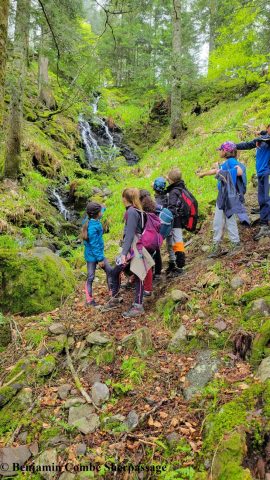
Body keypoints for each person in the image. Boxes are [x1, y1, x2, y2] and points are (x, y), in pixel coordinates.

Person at [107, 188, 154, 318]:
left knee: (137, 274)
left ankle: (137, 306)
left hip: (133, 247)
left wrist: (123, 253)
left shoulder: (132, 212)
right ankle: (116, 299)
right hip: (137, 246)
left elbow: (130, 234)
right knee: (117, 272)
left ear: (124, 198)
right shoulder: (137, 210)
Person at [198, 141, 245, 257]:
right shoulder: (226, 162)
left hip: (229, 195)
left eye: (220, 150)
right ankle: (217, 245)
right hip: (223, 195)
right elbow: (216, 171)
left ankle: (235, 244)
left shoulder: (232, 161)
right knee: (218, 221)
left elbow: (240, 171)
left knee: (229, 219)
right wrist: (203, 174)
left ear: (225, 151)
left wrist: (223, 171)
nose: (219, 151)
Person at [236, 127, 270, 239]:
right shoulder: (262, 138)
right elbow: (247, 145)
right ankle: (263, 212)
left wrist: (261, 137)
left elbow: (266, 139)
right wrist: (234, 146)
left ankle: (265, 226)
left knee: (265, 199)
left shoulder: (265, 140)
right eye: (268, 129)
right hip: (260, 173)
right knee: (262, 198)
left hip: (267, 173)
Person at [81, 202, 112, 307]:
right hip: (94, 256)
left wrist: (103, 207)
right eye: (100, 211)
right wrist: (100, 259)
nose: (102, 213)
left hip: (90, 255)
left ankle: (112, 294)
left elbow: (101, 210)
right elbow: (94, 245)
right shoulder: (93, 228)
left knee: (93, 276)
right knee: (95, 275)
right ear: (97, 214)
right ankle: (90, 300)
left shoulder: (89, 220)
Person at [153, 177, 182, 277]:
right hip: (171, 224)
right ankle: (173, 263)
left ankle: (156, 270)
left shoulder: (155, 201)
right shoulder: (168, 195)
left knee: (157, 248)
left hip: (159, 227)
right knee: (171, 245)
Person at [166, 168, 186, 271]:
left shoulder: (173, 191)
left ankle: (180, 264)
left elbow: (172, 206)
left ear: (171, 180)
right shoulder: (181, 187)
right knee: (178, 240)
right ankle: (179, 263)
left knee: (177, 240)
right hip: (181, 217)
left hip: (175, 219)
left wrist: (168, 217)